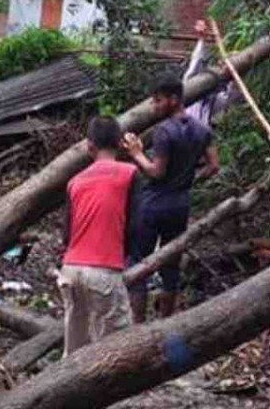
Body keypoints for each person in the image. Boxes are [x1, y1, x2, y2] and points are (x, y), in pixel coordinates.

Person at [123, 73, 220, 321]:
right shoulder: (202, 130)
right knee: (171, 264)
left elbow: (156, 171)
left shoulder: (164, 131)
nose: (154, 106)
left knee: (138, 262)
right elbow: (213, 166)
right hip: (180, 204)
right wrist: (188, 181)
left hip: (153, 204)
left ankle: (138, 326)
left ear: (174, 99)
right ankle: (165, 322)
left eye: (158, 100)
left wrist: (136, 153)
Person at [59, 116, 138, 356]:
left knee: (75, 348)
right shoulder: (129, 174)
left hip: (71, 269)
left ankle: (67, 391)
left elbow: (66, 233)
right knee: (116, 348)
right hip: (103, 268)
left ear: (89, 146)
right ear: (119, 143)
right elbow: (135, 224)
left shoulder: (75, 182)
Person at [183, 19, 242, 128]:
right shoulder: (190, 87)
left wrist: (233, 73)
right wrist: (202, 40)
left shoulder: (211, 101)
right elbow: (196, 64)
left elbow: (226, 98)